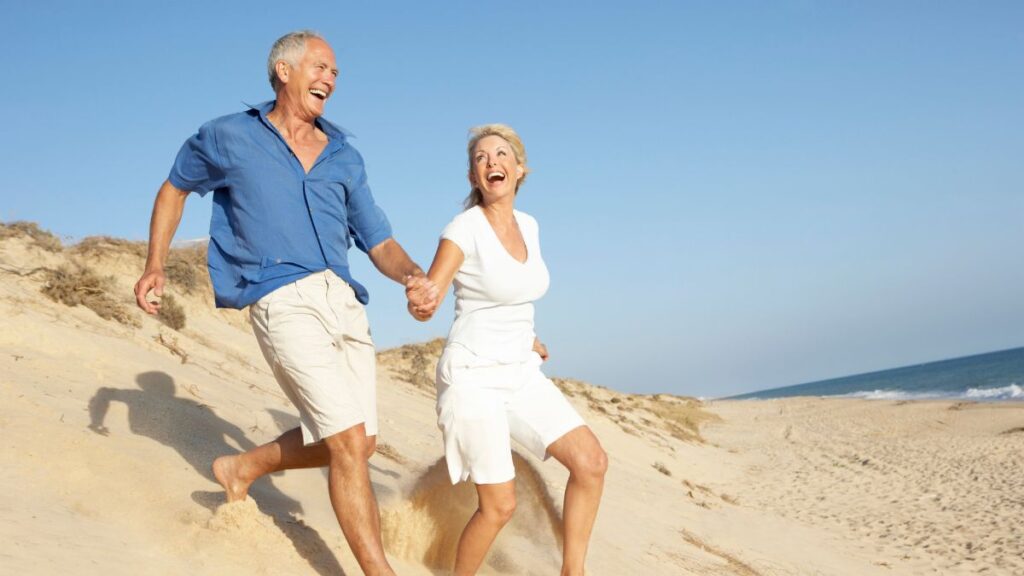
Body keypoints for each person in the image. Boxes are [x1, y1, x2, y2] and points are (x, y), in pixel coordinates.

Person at [134, 30, 437, 576]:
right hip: (279, 296)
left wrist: (414, 276)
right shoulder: (228, 136)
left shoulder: (344, 155)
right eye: (321, 67)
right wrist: (155, 262)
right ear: (283, 71)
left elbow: (379, 242)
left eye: (336, 73)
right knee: (345, 441)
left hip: (343, 301)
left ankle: (241, 466)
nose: (330, 79)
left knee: (360, 443)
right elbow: (173, 189)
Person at [408, 124, 608, 575]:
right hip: (473, 375)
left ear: (519, 169)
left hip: (518, 368)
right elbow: (434, 293)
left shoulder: (530, 226)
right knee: (499, 506)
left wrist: (526, 338)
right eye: (480, 158)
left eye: (500, 154)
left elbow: (515, 292)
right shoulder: (463, 228)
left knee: (591, 462)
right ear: (472, 177)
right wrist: (422, 299)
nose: (491, 162)